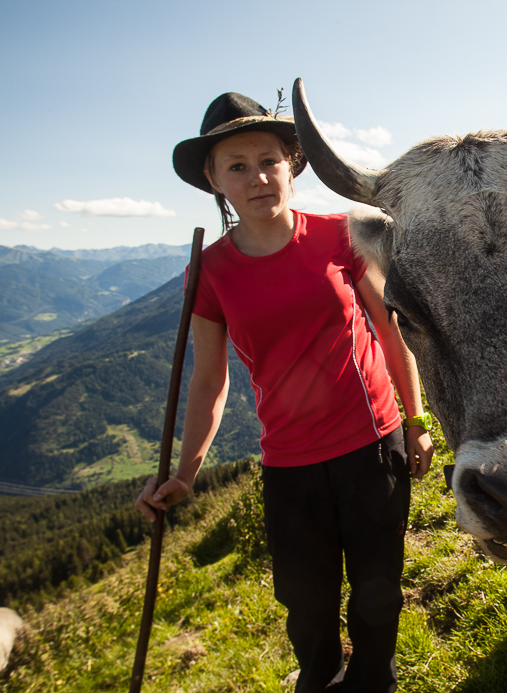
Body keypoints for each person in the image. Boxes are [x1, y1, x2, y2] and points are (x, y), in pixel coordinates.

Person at [135, 92, 435, 693]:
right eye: (237, 166)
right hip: (290, 466)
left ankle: (375, 681)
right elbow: (210, 380)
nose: (257, 177)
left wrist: (417, 419)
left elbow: (388, 327)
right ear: (214, 181)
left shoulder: (341, 236)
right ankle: (321, 679)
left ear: (292, 166)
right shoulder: (211, 271)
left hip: (372, 446)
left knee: (378, 589)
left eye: (269, 160)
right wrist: (187, 473)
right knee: (306, 605)